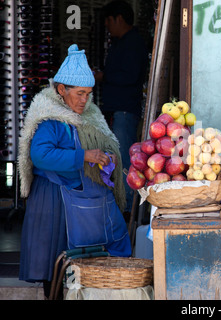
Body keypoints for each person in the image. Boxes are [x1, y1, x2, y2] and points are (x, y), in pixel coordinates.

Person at [18, 44, 132, 299]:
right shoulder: (50, 120)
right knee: (54, 266)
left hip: (80, 199)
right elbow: (40, 155)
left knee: (77, 267)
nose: (84, 100)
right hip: (53, 200)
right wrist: (84, 156)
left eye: (88, 94)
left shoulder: (89, 116)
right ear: (61, 90)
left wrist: (105, 157)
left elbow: (100, 144)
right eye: (79, 93)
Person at [94, 0, 149, 213]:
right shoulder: (120, 42)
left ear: (119, 18)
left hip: (125, 110)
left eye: (109, 20)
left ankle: (128, 206)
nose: (107, 25)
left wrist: (104, 76)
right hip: (117, 110)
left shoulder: (133, 43)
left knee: (124, 157)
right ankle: (122, 202)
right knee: (117, 156)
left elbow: (130, 76)